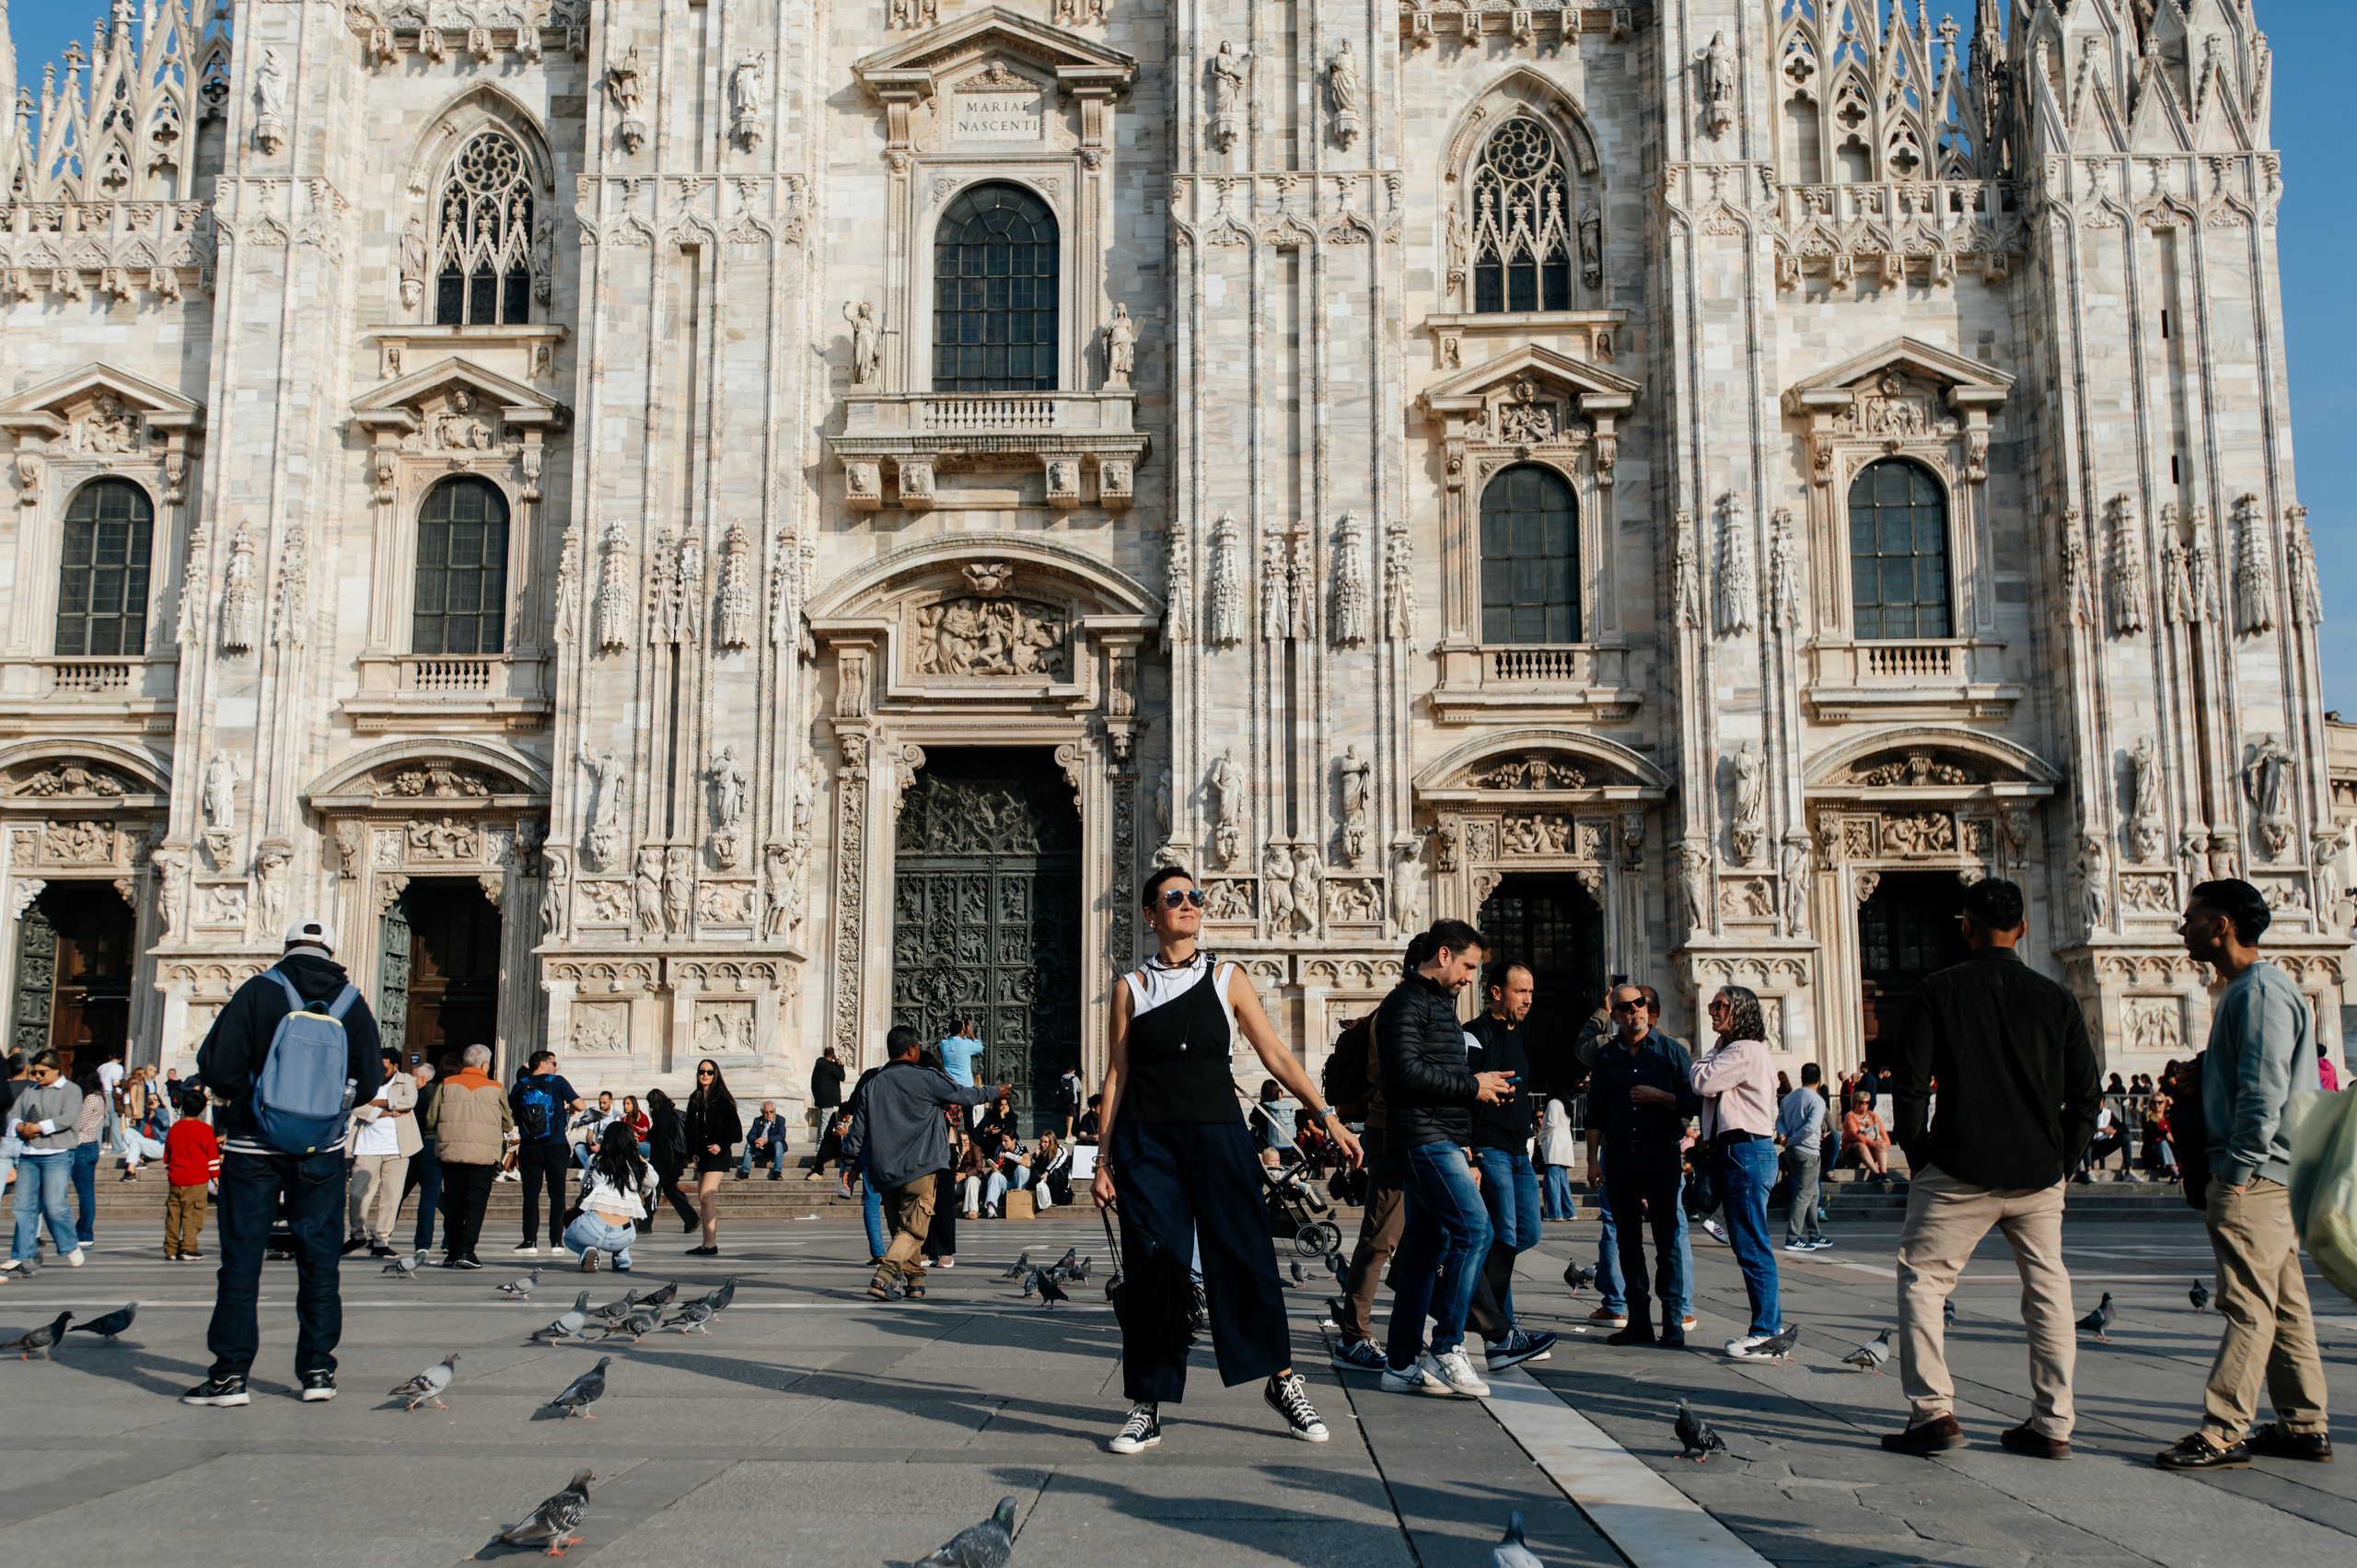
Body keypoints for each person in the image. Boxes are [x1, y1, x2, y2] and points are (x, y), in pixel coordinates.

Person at [1095, 866, 1363, 1452]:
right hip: (1149, 1145)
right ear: (1149, 915)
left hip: (1218, 1137)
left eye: (1195, 896)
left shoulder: (1227, 978)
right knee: (1155, 1274)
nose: (1189, 904)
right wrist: (1103, 1162)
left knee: (1245, 1257)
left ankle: (1282, 1381)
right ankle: (1149, 1402)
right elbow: (1116, 1076)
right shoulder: (1130, 988)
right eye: (1174, 898)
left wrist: (1327, 1115)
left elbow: (1275, 1055)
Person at [1883, 877, 2099, 1459]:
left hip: (1958, 1168)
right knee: (2048, 1292)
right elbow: (2086, 1095)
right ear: (2024, 929)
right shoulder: (2058, 999)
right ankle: (2053, 1423)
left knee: (1924, 1282)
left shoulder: (1938, 989)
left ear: (1966, 926)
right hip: (2038, 1172)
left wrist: (1920, 1152)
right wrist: (2064, 1159)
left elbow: (1909, 1085)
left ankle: (1933, 1413)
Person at [2156, 879, 2332, 1470]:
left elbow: (2264, 1092)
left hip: (2254, 1177)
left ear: (2222, 925)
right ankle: (2303, 1423)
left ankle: (2224, 1428)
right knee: (2283, 1301)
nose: (2183, 928)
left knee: (2247, 1305)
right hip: (2273, 1173)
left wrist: (2235, 1171)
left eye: (2193, 917)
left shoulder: (2258, 992)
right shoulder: (2254, 988)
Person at [184, 916, 383, 1407]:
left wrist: (252, 1098)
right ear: (331, 952)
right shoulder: (351, 1003)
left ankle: (230, 1377)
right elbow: (371, 1081)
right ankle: (318, 1371)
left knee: (241, 1261)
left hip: (252, 1148)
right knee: (319, 1261)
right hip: (321, 1151)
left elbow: (217, 1066)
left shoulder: (257, 991)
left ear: (287, 947)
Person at [1374, 920, 1515, 1398]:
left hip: (1440, 1135)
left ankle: (1398, 1363)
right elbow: (1407, 1075)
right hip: (1421, 1138)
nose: (1472, 978)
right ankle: (1448, 1347)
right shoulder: (1405, 1003)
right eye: (1469, 966)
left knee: (1422, 1250)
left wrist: (1479, 1087)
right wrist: (1472, 1087)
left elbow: (1439, 1072)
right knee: (1475, 1229)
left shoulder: (1437, 1005)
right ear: (1443, 954)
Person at [844, 1024, 1001, 1298]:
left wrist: (848, 1165)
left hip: (885, 1171)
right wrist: (995, 1092)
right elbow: (965, 1094)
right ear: (912, 1049)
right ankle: (884, 1277)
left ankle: (915, 1281)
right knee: (914, 1229)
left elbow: (857, 1131)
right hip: (920, 1167)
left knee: (900, 1229)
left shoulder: (872, 1084)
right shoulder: (927, 1078)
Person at [1587, 982, 1701, 1348]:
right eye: (1626, 1006)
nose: (1635, 1010)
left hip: (1661, 1153)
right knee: (1627, 1241)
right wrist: (1592, 1159)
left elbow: (1692, 1102)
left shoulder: (1671, 1051)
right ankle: (1638, 1321)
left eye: (1640, 1004)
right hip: (1620, 1155)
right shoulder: (1606, 1057)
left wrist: (1659, 1097)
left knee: (1667, 1239)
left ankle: (1672, 1323)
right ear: (1615, 1015)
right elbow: (1595, 1111)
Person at [1463, 960, 1559, 1373]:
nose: (1529, 999)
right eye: (1522, 992)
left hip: (1519, 1151)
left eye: (1532, 992)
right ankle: (1503, 1333)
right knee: (1503, 1237)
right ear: (1497, 992)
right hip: (1489, 1149)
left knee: (1526, 1232)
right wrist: (1468, 1151)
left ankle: (1473, 1290)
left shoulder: (1517, 1034)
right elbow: (1461, 1090)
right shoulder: (1474, 1033)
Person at [1693, 986, 1783, 1358]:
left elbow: (1702, 1081)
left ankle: (1766, 1330)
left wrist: (1710, 1053)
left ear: (1741, 1010)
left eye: (1721, 1005)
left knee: (1751, 1243)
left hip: (1744, 1150)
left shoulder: (1743, 1050)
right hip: (1742, 1150)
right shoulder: (1746, 1051)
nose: (1712, 1011)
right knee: (1748, 1241)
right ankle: (1767, 1327)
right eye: (1712, 1004)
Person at [426, 1044, 511, 1270]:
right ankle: (467, 1250)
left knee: (453, 1202)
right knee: (475, 1204)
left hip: (451, 1153)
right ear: (485, 1064)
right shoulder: (495, 1088)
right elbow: (508, 1122)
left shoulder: (446, 1085)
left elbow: (432, 1119)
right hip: (482, 1155)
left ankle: (452, 1251)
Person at [5, 1051, 87, 1272]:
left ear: (56, 1069)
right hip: (30, 1154)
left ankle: (69, 1245)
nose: (38, 1076)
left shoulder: (71, 1090)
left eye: (42, 1072)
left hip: (58, 1153)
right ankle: (22, 1253)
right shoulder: (30, 1090)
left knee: (54, 1204)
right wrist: (20, 1127)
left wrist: (39, 1127)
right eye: (34, 1072)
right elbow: (13, 1114)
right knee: (23, 1205)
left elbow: (68, 1118)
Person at [343, 1047, 417, 1258]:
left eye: (385, 1068)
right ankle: (357, 1235)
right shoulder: (366, 1078)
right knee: (358, 1193)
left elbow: (410, 1102)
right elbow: (357, 1107)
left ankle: (381, 1239)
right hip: (368, 1145)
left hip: (399, 1146)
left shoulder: (406, 1080)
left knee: (392, 1196)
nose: (380, 1072)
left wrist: (378, 1103)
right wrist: (388, 1112)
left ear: (395, 1066)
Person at [509, 1051, 586, 1256]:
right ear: (543, 1064)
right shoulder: (558, 1082)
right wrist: (567, 1107)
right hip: (555, 1145)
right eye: (554, 1062)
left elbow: (514, 1110)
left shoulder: (520, 1085)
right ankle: (556, 1242)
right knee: (557, 1195)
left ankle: (529, 1241)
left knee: (530, 1196)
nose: (556, 1067)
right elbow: (581, 1105)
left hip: (529, 1147)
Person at [564, 1121, 658, 1274]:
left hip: (593, 1230)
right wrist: (638, 1157)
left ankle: (588, 1251)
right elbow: (654, 1181)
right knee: (625, 1217)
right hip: (625, 1235)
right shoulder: (635, 1164)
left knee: (568, 1237)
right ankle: (622, 1259)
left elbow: (584, 1186)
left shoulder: (595, 1160)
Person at [684, 1059, 742, 1255]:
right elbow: (690, 1129)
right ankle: (707, 1242)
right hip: (702, 1155)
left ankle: (711, 1243)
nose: (705, 1075)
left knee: (705, 1196)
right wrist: (692, 1151)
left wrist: (721, 1144)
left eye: (709, 1072)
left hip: (719, 1154)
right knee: (703, 1200)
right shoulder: (695, 1098)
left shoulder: (722, 1098)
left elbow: (735, 1128)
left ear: (715, 1074)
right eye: (702, 1071)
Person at [1776, 1062, 1829, 1251]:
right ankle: (1793, 1237)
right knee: (1804, 1195)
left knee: (1812, 1192)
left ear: (1801, 1078)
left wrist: (1784, 1136)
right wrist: (1791, 1139)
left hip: (1791, 1152)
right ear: (1819, 1079)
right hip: (1808, 1151)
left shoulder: (1789, 1098)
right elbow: (1810, 1128)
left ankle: (1815, 1234)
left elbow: (1779, 1119)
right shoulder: (1817, 1100)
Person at [164, 1086, 220, 1261]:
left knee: (174, 1214)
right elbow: (212, 1157)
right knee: (193, 1213)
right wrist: (215, 1176)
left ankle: (171, 1248)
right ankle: (188, 1247)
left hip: (176, 1178)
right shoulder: (204, 1130)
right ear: (203, 1109)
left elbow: (167, 1155)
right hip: (196, 1179)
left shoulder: (175, 1129)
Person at [398, 1059, 443, 1254]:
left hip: (418, 1147)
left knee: (405, 1193)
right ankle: (450, 1237)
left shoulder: (421, 1095)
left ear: (422, 1079)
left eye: (413, 1076)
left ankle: (386, 1234)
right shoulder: (434, 1092)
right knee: (433, 1196)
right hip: (427, 1147)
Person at [643, 1086, 700, 1232]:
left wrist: (648, 1134)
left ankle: (645, 1224)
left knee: (655, 1190)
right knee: (670, 1190)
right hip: (670, 1160)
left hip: (664, 1161)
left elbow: (659, 1137)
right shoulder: (669, 1113)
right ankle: (691, 1219)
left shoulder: (663, 1115)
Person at [1538, 1096, 1579, 1220]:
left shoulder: (1553, 1103)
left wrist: (1540, 1137)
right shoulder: (1566, 1104)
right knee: (1562, 1182)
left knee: (1551, 1182)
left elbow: (1551, 1123)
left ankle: (1554, 1213)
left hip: (1555, 1145)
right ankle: (1569, 1211)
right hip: (1564, 1146)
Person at [807, 1048, 846, 1177]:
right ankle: (821, 1145)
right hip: (829, 1099)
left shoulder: (818, 1065)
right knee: (826, 1123)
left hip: (820, 1099)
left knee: (821, 1121)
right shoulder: (831, 1067)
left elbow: (813, 1082)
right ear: (833, 1055)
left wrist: (816, 1096)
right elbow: (842, 1077)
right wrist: (840, 1065)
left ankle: (819, 1145)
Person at [1248, 1080, 1297, 1167]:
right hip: (1287, 1147)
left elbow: (1252, 1121)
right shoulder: (1286, 1107)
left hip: (1267, 1148)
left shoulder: (1260, 1107)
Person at [737, 1100, 791, 1179]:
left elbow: (781, 1136)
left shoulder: (780, 1120)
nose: (769, 1114)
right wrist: (756, 1141)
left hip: (773, 1148)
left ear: (774, 1111)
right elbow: (750, 1135)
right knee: (749, 1145)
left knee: (779, 1144)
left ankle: (777, 1172)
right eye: (766, 1112)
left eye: (771, 1112)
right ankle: (745, 1172)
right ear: (762, 1112)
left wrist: (767, 1140)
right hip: (760, 1148)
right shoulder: (757, 1121)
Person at [1845, 1092, 1893, 1179]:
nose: (1864, 1105)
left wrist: (1886, 1144)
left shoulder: (1872, 1115)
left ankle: (1884, 1172)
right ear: (1856, 1103)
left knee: (1881, 1142)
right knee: (1861, 1145)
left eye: (1867, 1103)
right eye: (1861, 1102)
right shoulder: (1850, 1116)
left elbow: (1883, 1132)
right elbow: (1855, 1134)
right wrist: (1872, 1143)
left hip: (1872, 1146)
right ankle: (1876, 1173)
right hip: (1854, 1146)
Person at [1032, 1129, 1073, 1208]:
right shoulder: (1041, 1150)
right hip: (1046, 1176)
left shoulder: (1061, 1150)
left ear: (1051, 1142)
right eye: (1041, 1141)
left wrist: (1046, 1173)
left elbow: (1055, 1163)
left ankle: (1055, 1199)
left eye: (1045, 1142)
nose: (1042, 1144)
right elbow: (1033, 1166)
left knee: (1055, 1173)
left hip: (1059, 1178)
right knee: (1035, 1172)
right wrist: (1037, 1156)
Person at [621, 1093, 652, 1157]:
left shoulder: (643, 1117)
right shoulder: (623, 1120)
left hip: (643, 1144)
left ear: (634, 1104)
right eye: (624, 1104)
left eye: (628, 1104)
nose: (625, 1106)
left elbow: (645, 1136)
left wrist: (634, 1138)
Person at [1057, 1065, 1085, 1138]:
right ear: (1074, 1071)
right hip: (1072, 1100)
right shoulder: (1075, 1078)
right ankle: (1068, 1134)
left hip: (1064, 1099)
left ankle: (1070, 1134)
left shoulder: (1063, 1078)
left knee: (1067, 1116)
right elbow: (1080, 1088)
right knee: (1071, 1116)